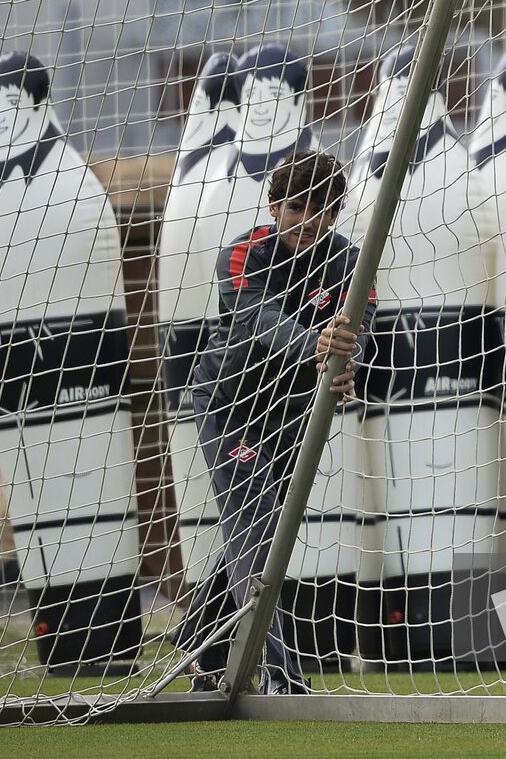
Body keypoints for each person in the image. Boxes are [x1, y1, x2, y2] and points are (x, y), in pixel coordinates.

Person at [173, 148, 374, 694]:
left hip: (293, 419)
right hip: (228, 407)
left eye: (320, 209)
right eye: (295, 206)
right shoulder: (242, 253)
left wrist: (349, 363)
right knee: (255, 536)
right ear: (273, 204)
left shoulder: (353, 260)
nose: (306, 220)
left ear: (334, 214)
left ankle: (200, 649)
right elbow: (260, 320)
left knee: (259, 535)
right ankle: (280, 672)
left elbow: (364, 330)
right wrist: (319, 344)